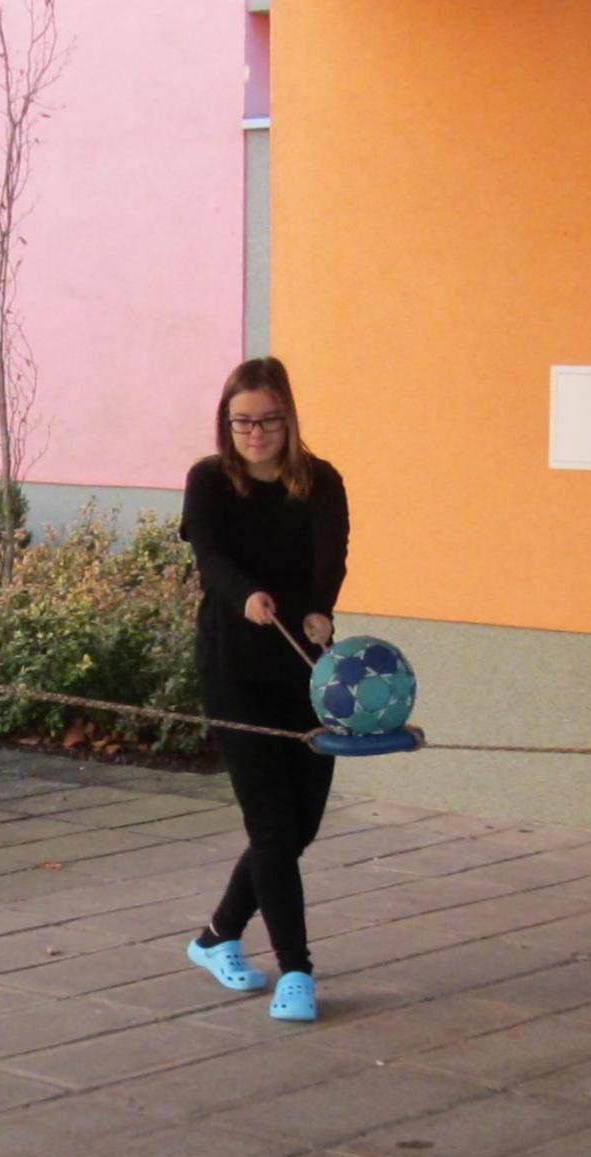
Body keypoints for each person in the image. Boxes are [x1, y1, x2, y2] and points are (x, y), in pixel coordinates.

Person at [179, 357, 349, 1021]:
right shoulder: (208, 481)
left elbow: (331, 557)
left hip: (306, 669)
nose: (255, 433)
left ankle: (216, 935)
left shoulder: (321, 481)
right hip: (233, 670)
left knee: (299, 825)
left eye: (268, 421)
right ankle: (296, 972)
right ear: (226, 423)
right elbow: (211, 557)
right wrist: (245, 594)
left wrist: (320, 609)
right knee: (272, 827)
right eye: (241, 421)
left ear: (290, 419)